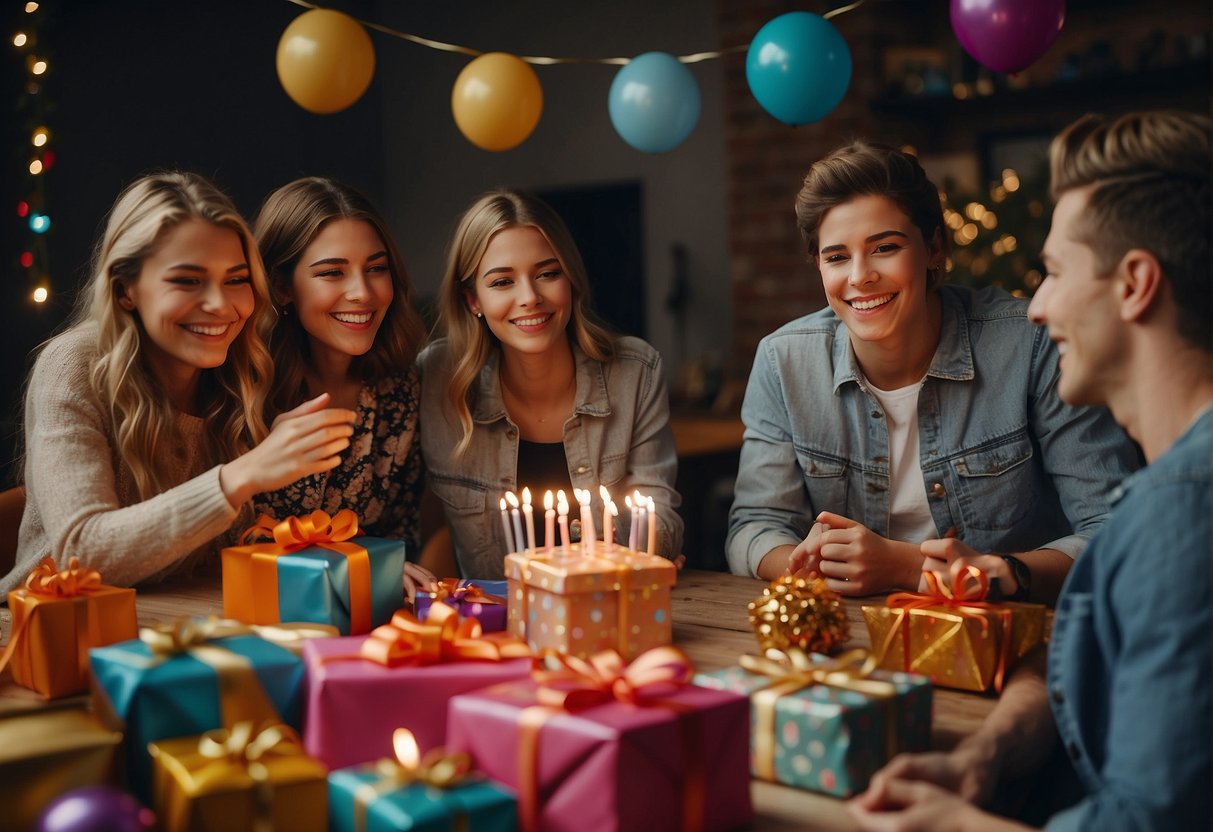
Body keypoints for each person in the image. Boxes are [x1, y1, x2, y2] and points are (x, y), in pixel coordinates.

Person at [849, 110, 1212, 831]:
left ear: (1135, 284)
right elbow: (1093, 665)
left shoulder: (1180, 509)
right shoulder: (1169, 490)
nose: (1037, 309)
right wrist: (984, 761)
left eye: (1051, 272)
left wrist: (954, 825)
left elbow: (1147, 820)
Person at [726, 140, 1139, 601]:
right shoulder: (784, 362)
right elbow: (754, 525)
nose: (859, 276)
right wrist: (805, 563)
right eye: (837, 256)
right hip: (854, 635)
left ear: (934, 248)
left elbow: (1113, 531)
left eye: (884, 247)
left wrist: (918, 569)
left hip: (1013, 634)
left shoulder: (1031, 343)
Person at [3, 172, 357, 593]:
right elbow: (84, 553)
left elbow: (231, 547)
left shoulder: (236, 372)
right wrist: (243, 474)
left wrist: (348, 568)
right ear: (125, 290)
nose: (220, 305)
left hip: (180, 621)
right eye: (187, 280)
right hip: (56, 630)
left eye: (236, 279)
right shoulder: (72, 366)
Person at [419, 189, 682, 579]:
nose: (529, 297)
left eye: (547, 273)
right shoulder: (436, 378)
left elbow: (662, 519)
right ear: (473, 299)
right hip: (494, 628)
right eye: (502, 282)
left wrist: (648, 548)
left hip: (607, 607)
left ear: (570, 279)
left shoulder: (634, 372)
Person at [253, 177, 435, 597]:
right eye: (333, 272)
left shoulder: (399, 388)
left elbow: (400, 538)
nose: (362, 292)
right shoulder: (243, 392)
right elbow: (221, 545)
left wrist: (390, 571)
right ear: (281, 287)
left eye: (376, 268)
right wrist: (354, 567)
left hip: (363, 619)